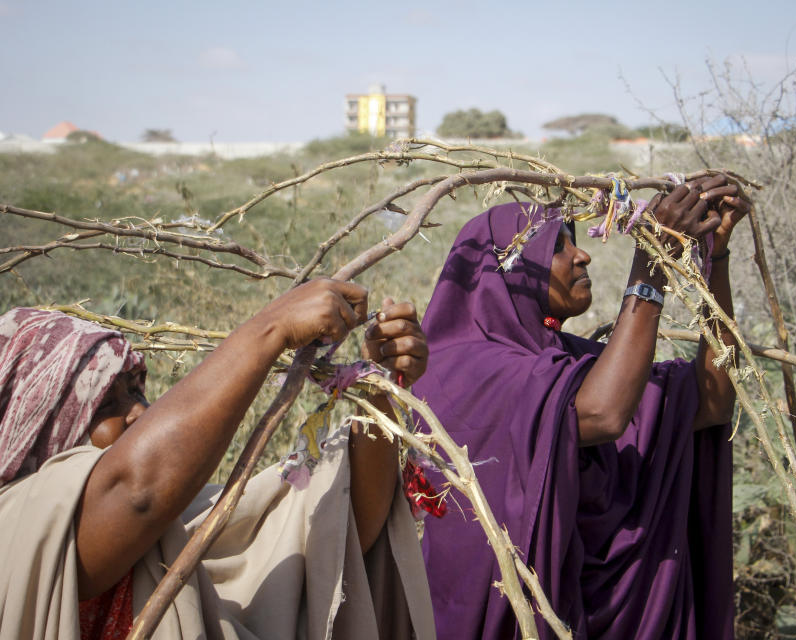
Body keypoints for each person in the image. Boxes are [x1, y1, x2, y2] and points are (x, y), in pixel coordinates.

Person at [0, 278, 435, 640]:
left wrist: (379, 386)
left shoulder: (181, 527)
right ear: (35, 426)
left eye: (136, 391)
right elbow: (135, 490)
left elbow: (339, 525)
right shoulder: (17, 529)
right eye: (103, 404)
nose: (139, 413)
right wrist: (271, 327)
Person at [412, 175, 750, 639]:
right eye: (557, 246)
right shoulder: (463, 368)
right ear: (504, 270)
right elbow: (603, 414)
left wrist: (715, 255)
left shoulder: (567, 362)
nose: (582, 254)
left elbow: (709, 403)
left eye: (574, 241)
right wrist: (649, 268)